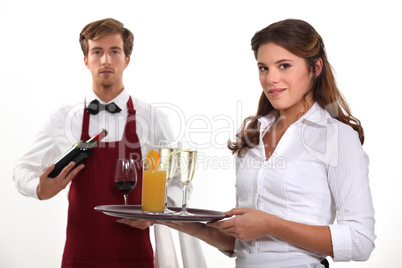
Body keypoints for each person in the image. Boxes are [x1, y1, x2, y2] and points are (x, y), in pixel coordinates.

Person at [156, 19, 376, 268]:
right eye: (263, 67)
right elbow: (245, 244)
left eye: (284, 66)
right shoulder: (253, 137)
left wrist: (271, 224)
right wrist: (183, 224)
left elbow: (360, 241)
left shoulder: (336, 137)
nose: (271, 78)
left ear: (315, 68)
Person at [13, 18, 187, 267]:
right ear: (86, 60)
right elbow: (22, 170)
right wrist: (40, 190)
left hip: (135, 254)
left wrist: (156, 214)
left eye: (114, 51)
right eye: (97, 52)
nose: (106, 60)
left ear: (127, 59)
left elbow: (179, 177)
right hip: (81, 254)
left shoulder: (152, 117)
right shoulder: (63, 117)